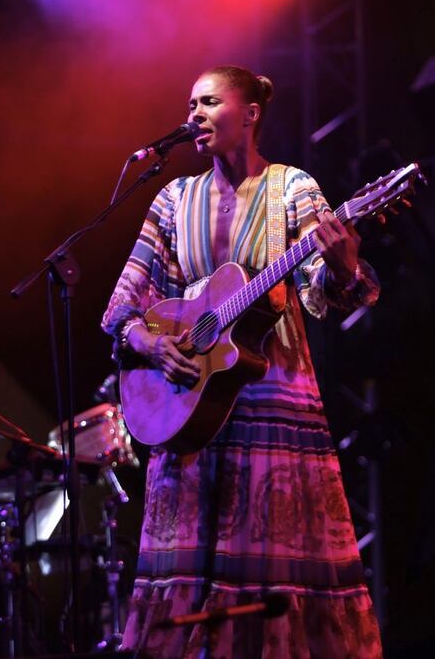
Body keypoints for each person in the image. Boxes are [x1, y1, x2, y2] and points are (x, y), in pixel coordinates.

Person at [102, 65, 383, 658]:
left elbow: (325, 290)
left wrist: (343, 266)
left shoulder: (294, 189)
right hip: (189, 412)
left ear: (250, 113)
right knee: (187, 575)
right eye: (190, 104)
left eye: (209, 102)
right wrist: (154, 344)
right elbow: (122, 308)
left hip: (272, 399)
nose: (194, 114)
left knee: (272, 567)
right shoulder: (172, 199)